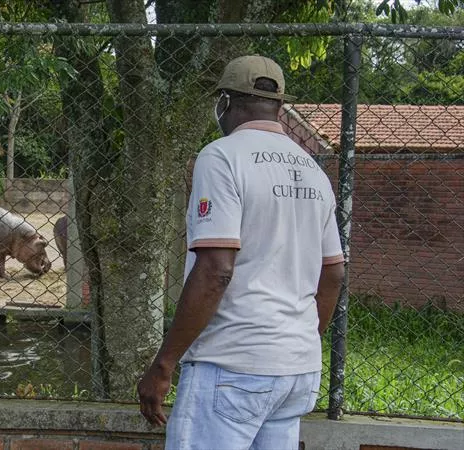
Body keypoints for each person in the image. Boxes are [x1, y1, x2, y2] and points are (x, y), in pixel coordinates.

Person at [137, 55, 345, 450]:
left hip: (232, 366)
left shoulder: (222, 157)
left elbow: (216, 269)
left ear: (226, 102)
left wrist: (163, 366)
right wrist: (295, 340)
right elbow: (333, 275)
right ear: (279, 107)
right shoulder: (313, 170)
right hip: (296, 370)